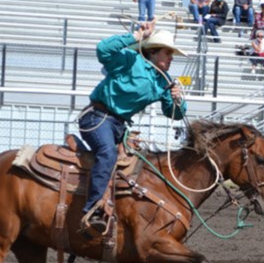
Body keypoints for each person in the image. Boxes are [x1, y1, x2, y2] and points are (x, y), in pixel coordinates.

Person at [78, 21, 186, 232]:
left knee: (137, 165)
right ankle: (93, 210)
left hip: (118, 126)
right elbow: (103, 50)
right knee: (107, 153)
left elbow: (174, 114)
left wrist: (178, 100)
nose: (172, 58)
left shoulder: (164, 81)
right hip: (97, 118)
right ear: (153, 52)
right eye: (168, 53)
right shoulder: (130, 60)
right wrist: (135, 37)